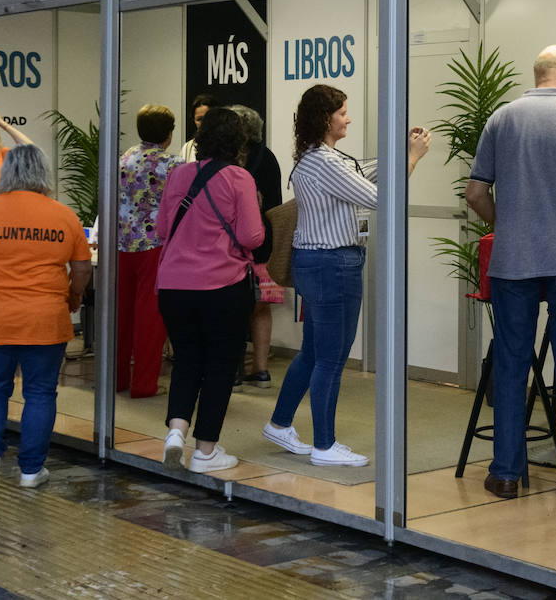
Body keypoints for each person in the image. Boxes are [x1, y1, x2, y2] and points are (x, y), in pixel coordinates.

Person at [465, 46, 556, 499]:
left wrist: (505, 223)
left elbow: (475, 192)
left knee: (511, 364)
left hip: (514, 262)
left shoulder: (501, 120)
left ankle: (507, 473)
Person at [265, 84, 431, 468]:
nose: (348, 118)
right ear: (326, 118)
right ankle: (324, 445)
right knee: (331, 359)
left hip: (320, 264)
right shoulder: (323, 162)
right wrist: (413, 159)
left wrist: (401, 149)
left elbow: (363, 169)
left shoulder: (321, 158)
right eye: (342, 112)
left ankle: (280, 424)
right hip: (332, 265)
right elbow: (380, 196)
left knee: (312, 353)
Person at [0, 145, 91, 490]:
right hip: (46, 317)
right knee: (40, 393)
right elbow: (83, 268)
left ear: (8, 172)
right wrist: (73, 295)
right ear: (43, 173)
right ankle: (30, 470)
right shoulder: (63, 216)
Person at [155, 108, 265, 474]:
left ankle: (175, 433)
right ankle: (205, 452)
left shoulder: (179, 174)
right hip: (222, 285)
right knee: (219, 366)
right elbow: (252, 236)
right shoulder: (239, 178)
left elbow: (161, 230)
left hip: (173, 285)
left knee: (187, 360)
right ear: (238, 142)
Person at [115, 104, 179, 398]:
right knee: (150, 318)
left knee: (122, 314)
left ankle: (117, 379)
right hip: (155, 245)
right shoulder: (173, 164)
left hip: (122, 243)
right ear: (168, 134)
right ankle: (143, 384)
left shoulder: (124, 158)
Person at [229, 104, 282, 389]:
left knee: (235, 307)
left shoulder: (233, 160)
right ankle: (261, 370)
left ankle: (235, 370)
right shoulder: (269, 157)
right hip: (267, 242)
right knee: (262, 308)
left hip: (238, 244)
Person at [180, 93, 217, 163]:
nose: (203, 123)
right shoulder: (187, 148)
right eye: (199, 119)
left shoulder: (225, 147)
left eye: (207, 118)